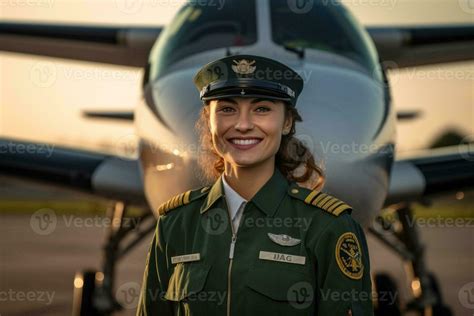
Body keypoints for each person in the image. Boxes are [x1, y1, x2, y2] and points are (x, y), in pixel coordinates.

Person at [136, 54, 373, 316]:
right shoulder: (176, 224)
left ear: (287, 122)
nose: (243, 125)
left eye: (262, 109)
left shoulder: (328, 227)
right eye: (227, 109)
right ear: (208, 120)